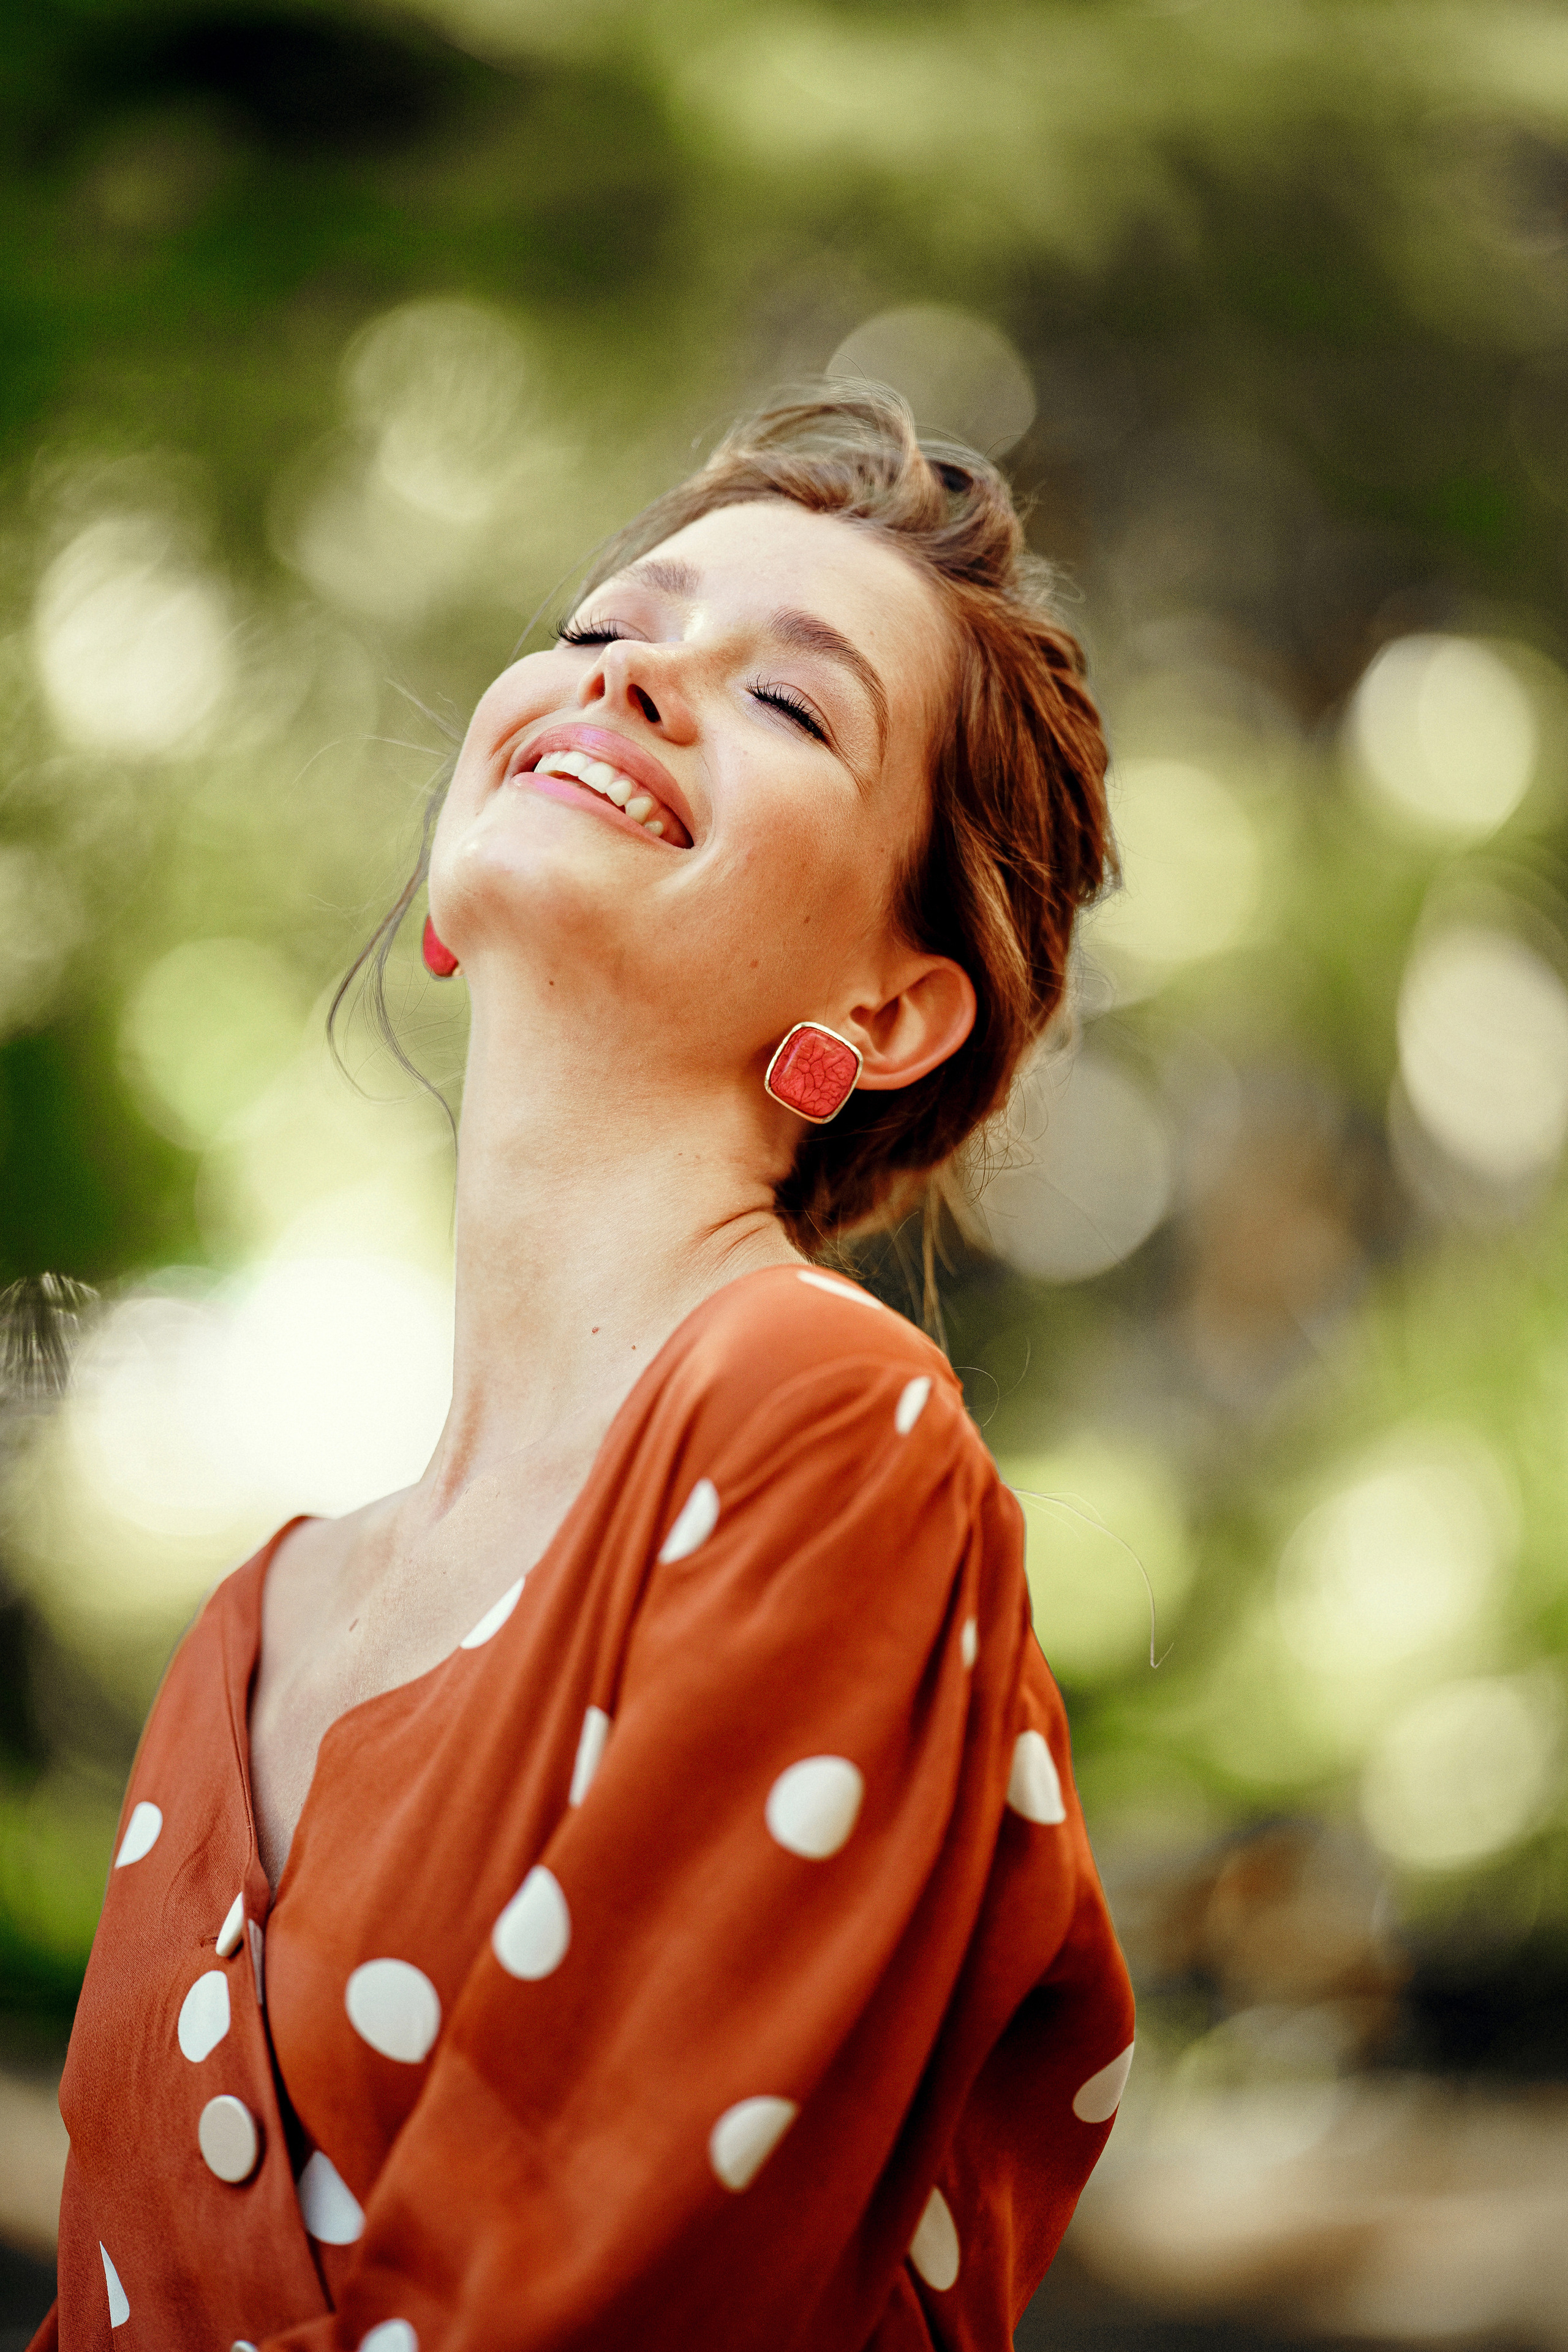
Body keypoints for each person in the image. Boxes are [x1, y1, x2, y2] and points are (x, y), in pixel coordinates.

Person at [36, 388, 1133, 2352]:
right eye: (609, 626)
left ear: (886, 1010)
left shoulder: (826, 1436)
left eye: (792, 703)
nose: (632, 683)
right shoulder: (249, 1629)